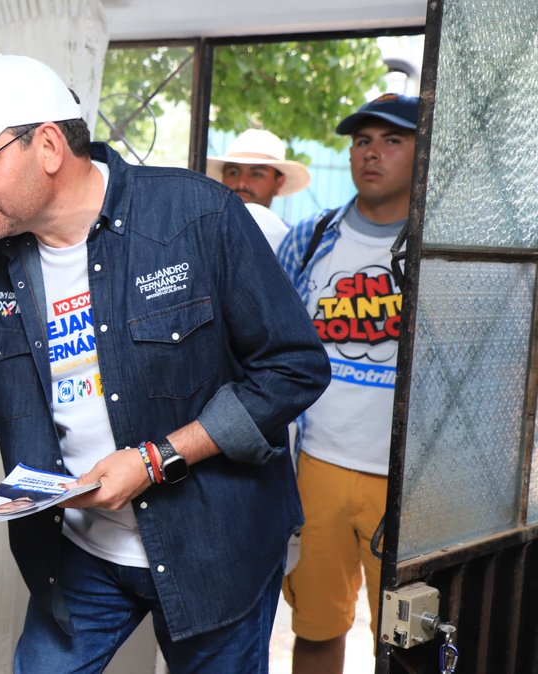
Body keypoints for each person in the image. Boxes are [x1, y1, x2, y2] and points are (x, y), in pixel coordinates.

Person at [0, 54, 330, 673]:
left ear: (47, 145)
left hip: (216, 549)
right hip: (80, 558)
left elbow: (292, 370)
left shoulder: (197, 217)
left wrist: (157, 460)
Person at [276, 93, 418, 674]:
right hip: (318, 465)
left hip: (410, 477)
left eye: (392, 140)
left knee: (413, 640)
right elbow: (271, 347)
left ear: (421, 151)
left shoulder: (439, 248)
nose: (372, 154)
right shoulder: (310, 239)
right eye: (363, 140)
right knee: (315, 629)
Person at [206, 128, 311, 251]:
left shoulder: (294, 246)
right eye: (233, 172)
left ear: (278, 183)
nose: (242, 183)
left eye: (256, 174)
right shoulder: (199, 235)